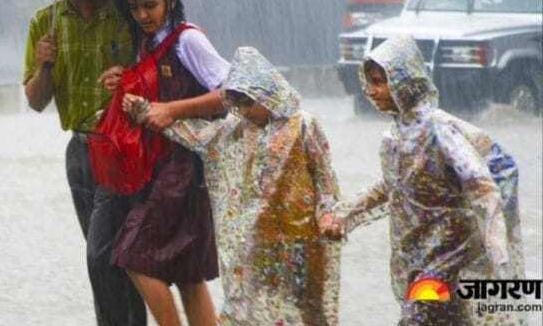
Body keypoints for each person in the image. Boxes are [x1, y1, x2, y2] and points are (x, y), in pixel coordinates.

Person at [124, 46, 343, 325]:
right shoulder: (236, 131)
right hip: (254, 244)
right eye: (236, 104)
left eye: (248, 102)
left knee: (309, 314)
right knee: (244, 313)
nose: (243, 111)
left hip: (301, 242)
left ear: (265, 92)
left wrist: (327, 214)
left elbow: (325, 179)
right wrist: (145, 111)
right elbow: (197, 135)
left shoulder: (303, 126)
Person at [327, 36, 526, 325]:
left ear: (405, 81)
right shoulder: (394, 136)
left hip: (451, 255)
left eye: (380, 81)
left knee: (416, 318)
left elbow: (480, 184)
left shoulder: (438, 128)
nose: (372, 91)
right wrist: (345, 213)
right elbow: (391, 186)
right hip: (418, 255)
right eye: (369, 82)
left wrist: (497, 247)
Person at [104, 0, 229, 326]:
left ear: (171, 1)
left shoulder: (189, 40)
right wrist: (124, 79)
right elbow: (150, 94)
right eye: (134, 6)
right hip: (160, 166)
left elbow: (232, 94)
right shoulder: (148, 42)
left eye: (150, 5)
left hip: (186, 169)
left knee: (131, 254)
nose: (142, 15)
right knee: (189, 274)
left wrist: (173, 109)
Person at [22, 0, 146, 326]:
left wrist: (130, 77)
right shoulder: (44, 23)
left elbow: (155, 71)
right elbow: (35, 100)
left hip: (122, 147)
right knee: (108, 258)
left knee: (103, 255)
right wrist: (45, 65)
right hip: (79, 152)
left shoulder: (127, 14)